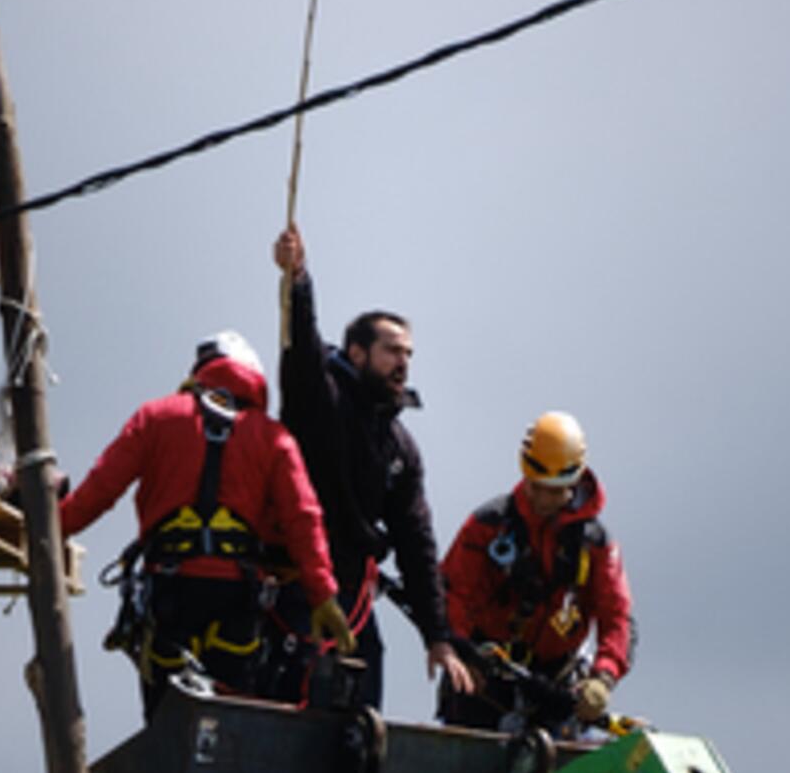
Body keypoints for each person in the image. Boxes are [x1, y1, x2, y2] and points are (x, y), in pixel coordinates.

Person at [58, 331, 354, 712]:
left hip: (170, 590)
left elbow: (96, 495)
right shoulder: (273, 437)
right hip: (238, 597)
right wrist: (323, 595)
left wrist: (43, 526)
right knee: (231, 720)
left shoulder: (156, 417)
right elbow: (304, 518)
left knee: (168, 721)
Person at [271, 223, 474, 711]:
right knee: (289, 703)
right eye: (392, 351)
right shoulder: (321, 401)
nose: (403, 363)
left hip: (354, 595)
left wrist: (438, 638)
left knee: (362, 712)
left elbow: (416, 543)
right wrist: (297, 280)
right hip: (294, 582)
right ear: (357, 353)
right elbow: (300, 349)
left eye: (408, 353)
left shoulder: (401, 448)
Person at [438, 410, 635, 734]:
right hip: (484, 681)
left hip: (555, 691)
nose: (544, 498)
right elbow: (454, 594)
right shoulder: (488, 525)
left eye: (555, 490)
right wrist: (461, 655)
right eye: (537, 487)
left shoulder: (596, 544)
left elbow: (617, 617)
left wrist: (603, 677)